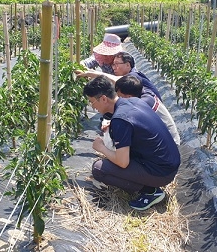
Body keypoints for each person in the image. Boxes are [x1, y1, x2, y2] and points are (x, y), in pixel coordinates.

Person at [84, 75, 180, 211]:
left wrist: (101, 148)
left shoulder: (120, 120)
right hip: (168, 162)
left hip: (161, 172)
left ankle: (151, 192)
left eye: (92, 102)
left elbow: (122, 162)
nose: (93, 107)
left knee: (99, 169)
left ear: (104, 99)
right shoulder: (133, 101)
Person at [115, 75, 181, 145]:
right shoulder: (145, 93)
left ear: (129, 97)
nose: (120, 100)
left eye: (120, 97)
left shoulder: (142, 104)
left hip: (170, 141)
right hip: (169, 136)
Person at [77, 51, 162, 101]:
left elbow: (116, 80)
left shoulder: (134, 76)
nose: (114, 68)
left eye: (117, 64)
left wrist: (89, 73)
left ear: (128, 65)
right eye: (113, 65)